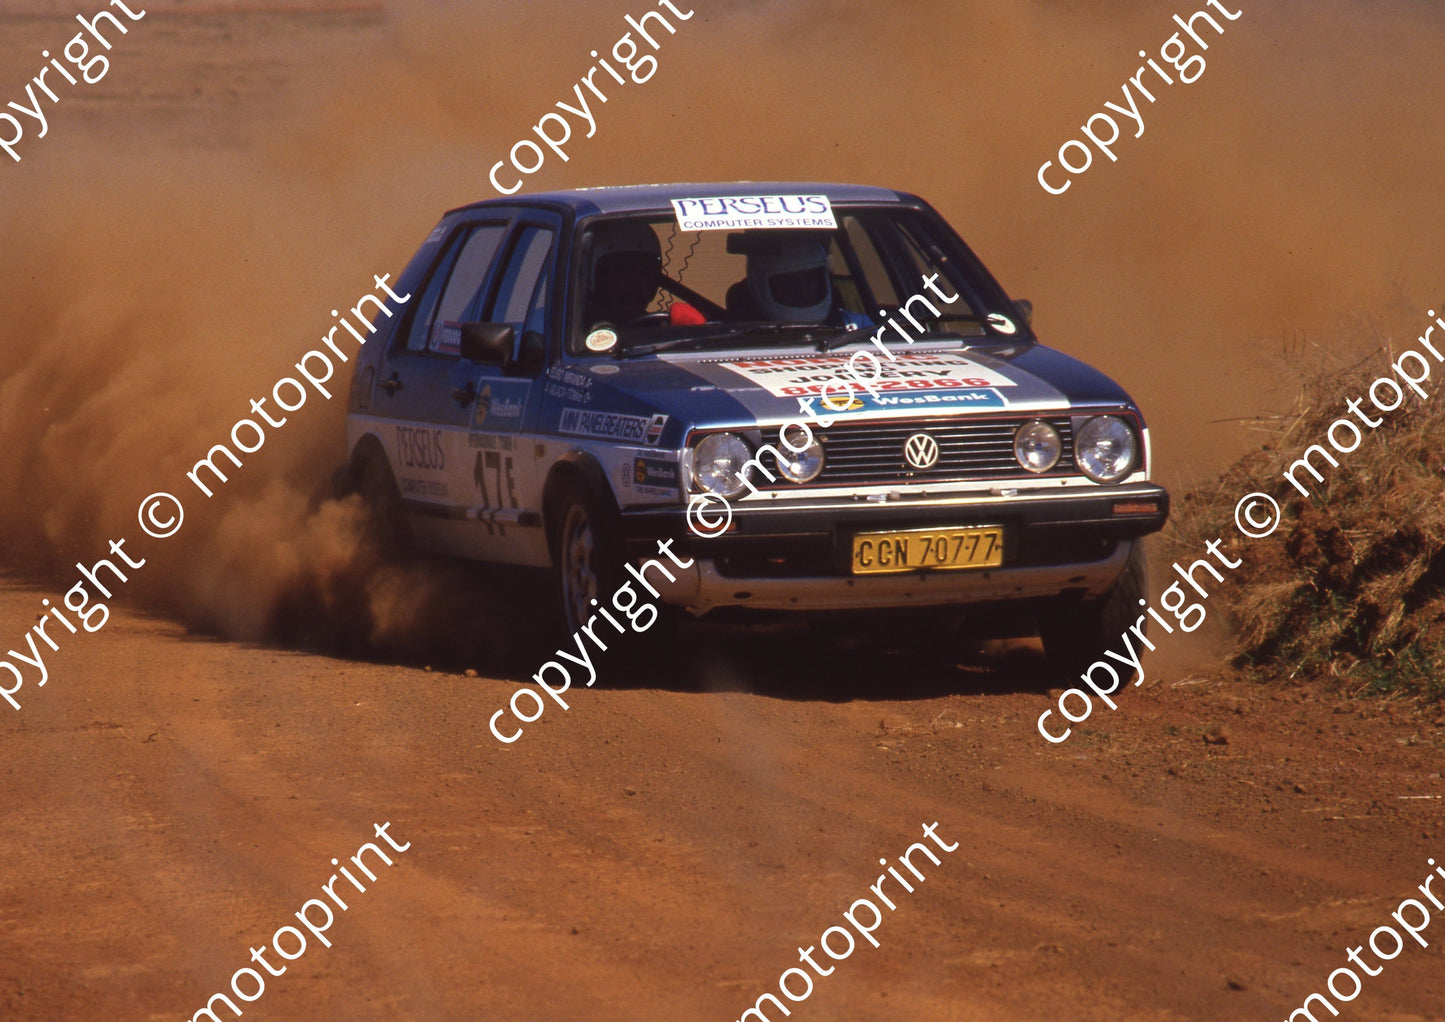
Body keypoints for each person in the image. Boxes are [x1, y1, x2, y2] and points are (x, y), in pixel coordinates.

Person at [587, 220, 663, 327]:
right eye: (624, 272)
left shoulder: (656, 328)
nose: (635, 283)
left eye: (644, 272)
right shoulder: (573, 330)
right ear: (600, 277)